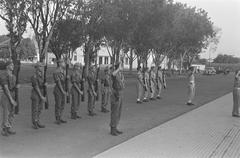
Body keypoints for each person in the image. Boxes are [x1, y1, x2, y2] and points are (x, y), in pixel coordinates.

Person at [0, 61, 17, 136]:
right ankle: (4, 129)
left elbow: (13, 87)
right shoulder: (3, 75)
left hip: (12, 94)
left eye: (13, 65)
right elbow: (6, 89)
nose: (13, 66)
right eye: (11, 65)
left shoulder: (13, 76)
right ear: (7, 66)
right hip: (6, 95)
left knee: (12, 112)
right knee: (6, 113)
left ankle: (8, 127)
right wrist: (11, 99)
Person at [110, 62, 124, 136]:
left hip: (120, 93)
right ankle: (112, 128)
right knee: (114, 112)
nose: (122, 67)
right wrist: (118, 69)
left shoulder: (120, 74)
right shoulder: (115, 73)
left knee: (118, 112)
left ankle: (115, 127)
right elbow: (112, 75)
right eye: (121, 66)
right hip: (116, 94)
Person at [31, 62, 47, 129]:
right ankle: (35, 122)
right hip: (36, 94)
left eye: (42, 66)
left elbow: (42, 85)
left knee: (40, 108)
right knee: (35, 109)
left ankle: (38, 121)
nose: (42, 68)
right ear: (36, 67)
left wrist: (45, 84)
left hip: (41, 92)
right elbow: (36, 87)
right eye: (40, 66)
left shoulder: (42, 76)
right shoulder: (34, 76)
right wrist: (41, 96)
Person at [53, 59, 68, 124]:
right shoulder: (57, 71)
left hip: (63, 88)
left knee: (62, 104)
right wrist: (62, 91)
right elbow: (58, 82)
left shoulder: (64, 71)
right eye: (63, 62)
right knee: (58, 104)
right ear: (59, 63)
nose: (64, 64)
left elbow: (65, 81)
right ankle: (57, 118)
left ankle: (60, 117)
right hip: (58, 89)